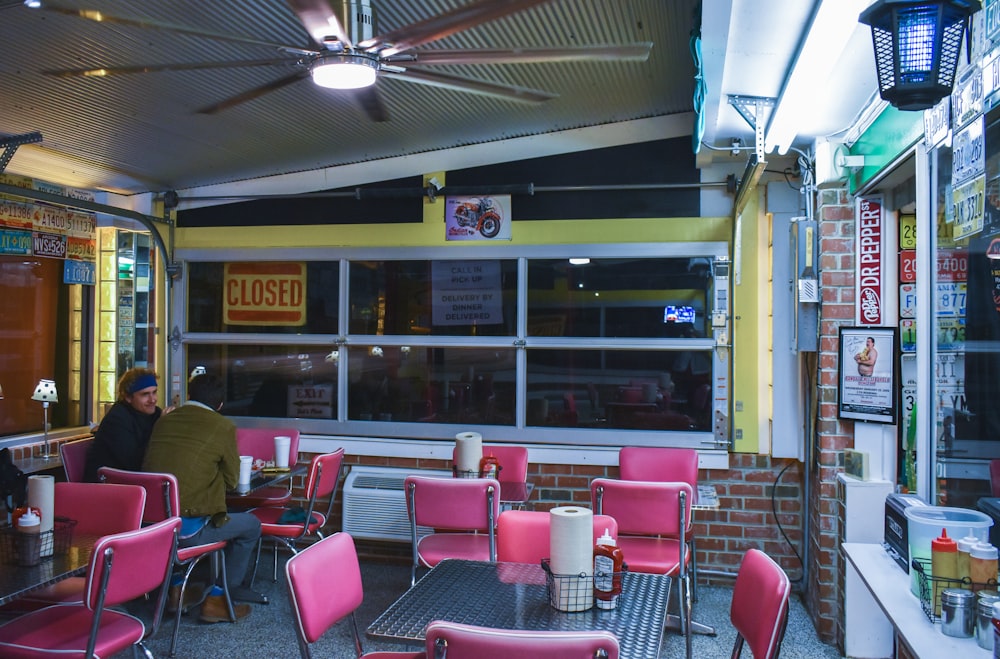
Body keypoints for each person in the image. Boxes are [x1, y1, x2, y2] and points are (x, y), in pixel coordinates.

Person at [143, 373, 264, 623]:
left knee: (181, 524)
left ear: (188, 396)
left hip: (151, 528)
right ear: (219, 405)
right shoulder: (222, 426)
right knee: (251, 526)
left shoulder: (163, 421)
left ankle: (177, 590)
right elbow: (232, 481)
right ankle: (218, 599)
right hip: (187, 531)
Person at [83, 367, 172, 482]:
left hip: (135, 483)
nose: (152, 399)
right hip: (108, 487)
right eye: (145, 394)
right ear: (128, 397)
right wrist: (161, 427)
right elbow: (135, 463)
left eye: (154, 392)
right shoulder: (116, 420)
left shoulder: (154, 413)